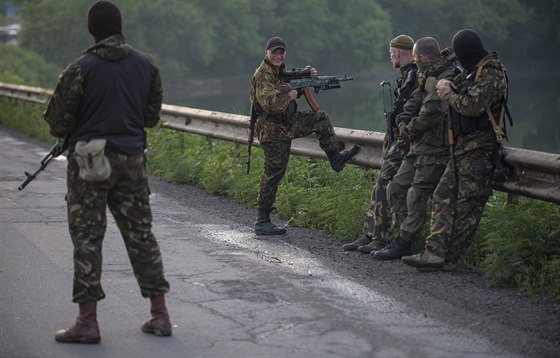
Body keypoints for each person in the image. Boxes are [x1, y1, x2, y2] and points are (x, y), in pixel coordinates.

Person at [43, 1, 171, 343]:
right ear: (119, 26)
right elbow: (151, 117)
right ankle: (160, 315)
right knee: (141, 236)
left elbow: (57, 123)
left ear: (92, 30)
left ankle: (87, 322)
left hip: (90, 163)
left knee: (87, 238)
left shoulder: (79, 68)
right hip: (132, 160)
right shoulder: (146, 65)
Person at [402, 29, 508, 271]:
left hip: (479, 150)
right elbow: (454, 85)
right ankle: (434, 253)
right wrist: (447, 83)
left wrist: (448, 94)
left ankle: (450, 258)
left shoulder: (491, 72)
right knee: (442, 195)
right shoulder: (473, 71)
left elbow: (472, 106)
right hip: (461, 148)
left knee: (468, 206)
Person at [251, 36, 360, 235]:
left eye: (281, 52)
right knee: (274, 173)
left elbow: (292, 88)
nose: (278, 55)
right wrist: (288, 94)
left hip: (287, 124)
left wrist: (306, 83)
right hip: (272, 131)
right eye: (274, 52)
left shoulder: (281, 71)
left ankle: (335, 157)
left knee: (320, 118)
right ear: (266, 53)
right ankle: (262, 220)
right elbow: (269, 103)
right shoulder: (263, 75)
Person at [372, 37, 459, 260]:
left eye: (417, 57)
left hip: (435, 147)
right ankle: (402, 236)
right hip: (417, 144)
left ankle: (405, 242)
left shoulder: (447, 75)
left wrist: (408, 128)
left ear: (420, 57)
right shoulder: (424, 73)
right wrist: (402, 121)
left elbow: (430, 110)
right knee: (396, 188)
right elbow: (413, 101)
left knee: (416, 194)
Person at [343, 34, 418, 253]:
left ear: (398, 52)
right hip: (399, 140)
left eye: (391, 53)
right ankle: (371, 234)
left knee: (385, 185)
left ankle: (380, 237)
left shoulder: (416, 76)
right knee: (380, 185)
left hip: (408, 143)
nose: (390, 57)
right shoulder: (407, 76)